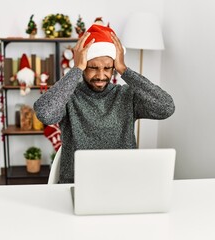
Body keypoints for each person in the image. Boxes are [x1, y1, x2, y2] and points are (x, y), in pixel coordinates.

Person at [34, 24, 175, 183]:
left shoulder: (125, 95)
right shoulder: (69, 96)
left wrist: (124, 70)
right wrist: (75, 70)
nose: (101, 75)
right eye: (93, 67)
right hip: (77, 183)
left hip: (122, 182)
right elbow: (45, 113)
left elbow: (166, 107)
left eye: (108, 68)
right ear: (83, 65)